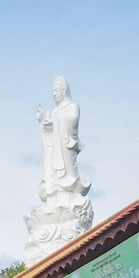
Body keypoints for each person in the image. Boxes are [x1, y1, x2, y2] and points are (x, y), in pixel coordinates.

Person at [36, 76, 91, 206]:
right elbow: (50, 132)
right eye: (52, 92)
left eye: (56, 90)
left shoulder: (73, 106)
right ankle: (54, 203)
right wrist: (42, 122)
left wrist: (55, 122)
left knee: (65, 179)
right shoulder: (54, 111)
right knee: (53, 180)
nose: (54, 94)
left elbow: (72, 123)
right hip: (54, 154)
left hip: (65, 154)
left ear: (64, 90)